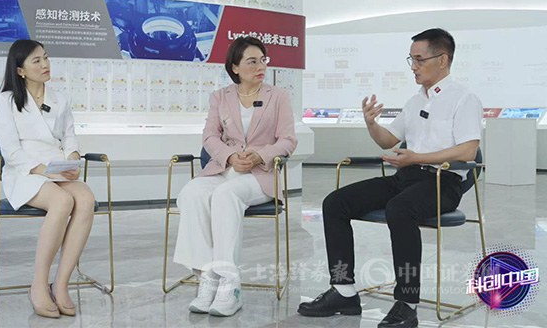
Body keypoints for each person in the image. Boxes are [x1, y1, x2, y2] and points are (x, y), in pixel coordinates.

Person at [298, 28, 482, 328]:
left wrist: (417, 157)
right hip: (406, 177)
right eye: (411, 59)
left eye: (419, 59)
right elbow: (388, 140)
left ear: (442, 59)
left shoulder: (464, 98)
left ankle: (407, 303)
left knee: (400, 209)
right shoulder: (415, 101)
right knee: (335, 203)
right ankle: (344, 291)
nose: (413, 66)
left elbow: (468, 150)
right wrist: (371, 123)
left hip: (442, 182)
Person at [173, 36, 297, 317]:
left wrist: (259, 156)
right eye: (252, 61)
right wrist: (229, 157)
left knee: (226, 194)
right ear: (235, 67)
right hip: (224, 169)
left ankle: (230, 285)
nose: (260, 66)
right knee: (192, 192)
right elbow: (209, 136)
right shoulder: (220, 97)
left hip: (260, 174)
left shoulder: (278, 96)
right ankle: (208, 277)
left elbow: (288, 140)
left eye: (263, 60)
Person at [0, 39, 95, 319]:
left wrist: (72, 158)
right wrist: (42, 170)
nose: (45, 64)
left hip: (56, 167)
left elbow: (70, 136)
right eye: (36, 61)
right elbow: (9, 149)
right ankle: (38, 285)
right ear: (20, 70)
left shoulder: (60, 98)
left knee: (86, 198)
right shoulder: (6, 101)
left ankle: (60, 285)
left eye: (46, 58)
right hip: (25, 171)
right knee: (62, 201)